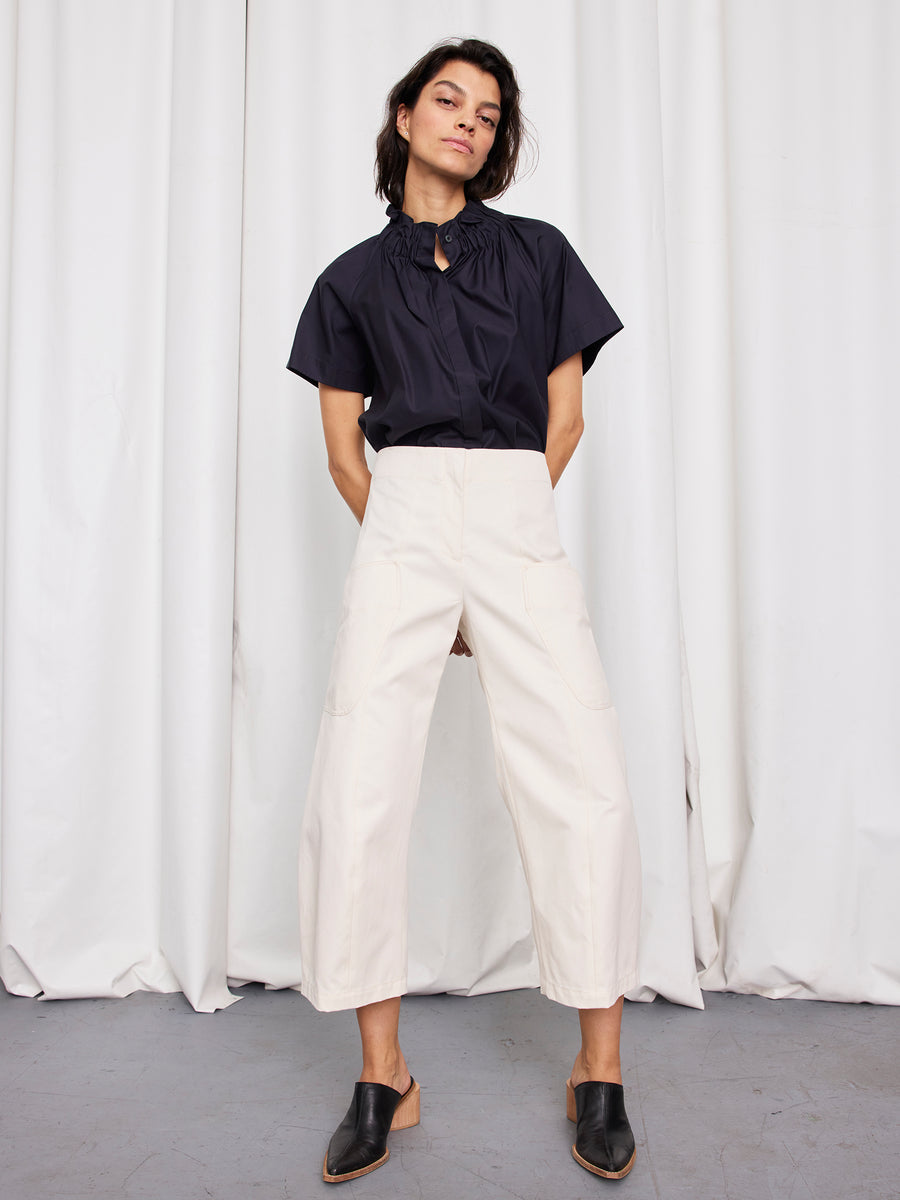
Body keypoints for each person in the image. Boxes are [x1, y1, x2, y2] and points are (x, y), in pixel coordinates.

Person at [286, 36, 642, 1185]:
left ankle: (602, 1072)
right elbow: (345, 449)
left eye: (489, 114)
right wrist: (411, 551)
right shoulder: (349, 279)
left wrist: (501, 545)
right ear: (402, 116)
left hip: (510, 506)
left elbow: (566, 419)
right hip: (403, 516)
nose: (468, 123)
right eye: (448, 100)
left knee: (576, 770)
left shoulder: (540, 256)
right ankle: (382, 1073)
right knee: (361, 779)